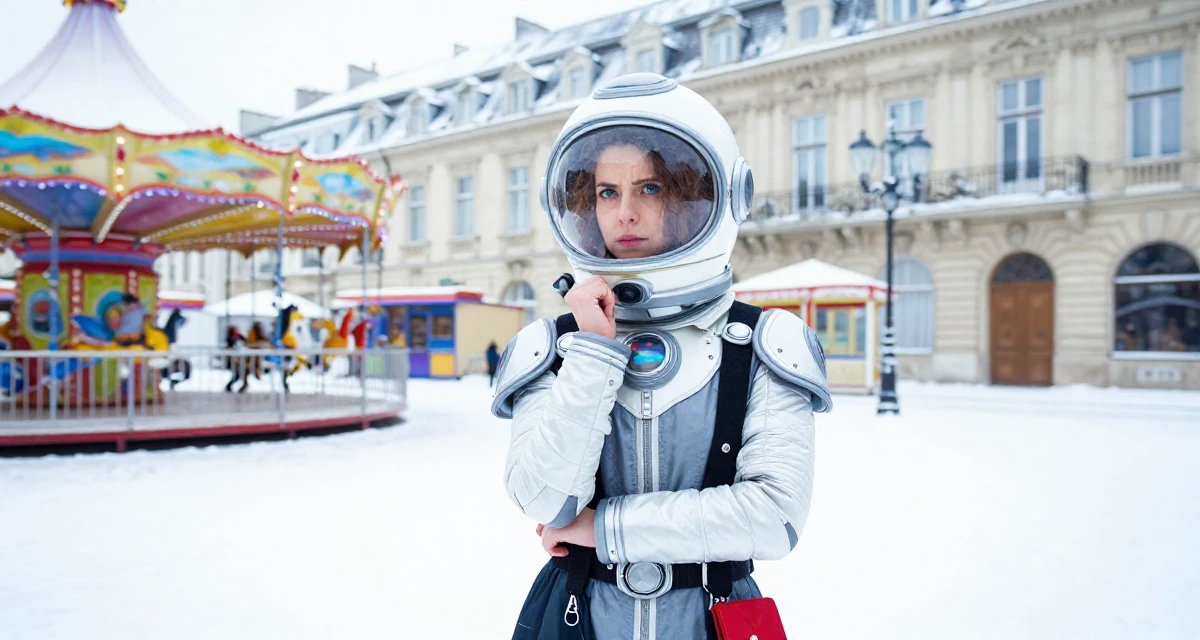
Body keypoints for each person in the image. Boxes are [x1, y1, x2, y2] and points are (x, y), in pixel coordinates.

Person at [491, 73, 830, 640]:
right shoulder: (553, 348)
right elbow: (547, 498)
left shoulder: (765, 342)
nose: (624, 213)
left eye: (650, 189)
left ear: (707, 195)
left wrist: (602, 528)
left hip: (711, 621)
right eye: (607, 192)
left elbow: (773, 517)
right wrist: (594, 350)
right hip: (581, 620)